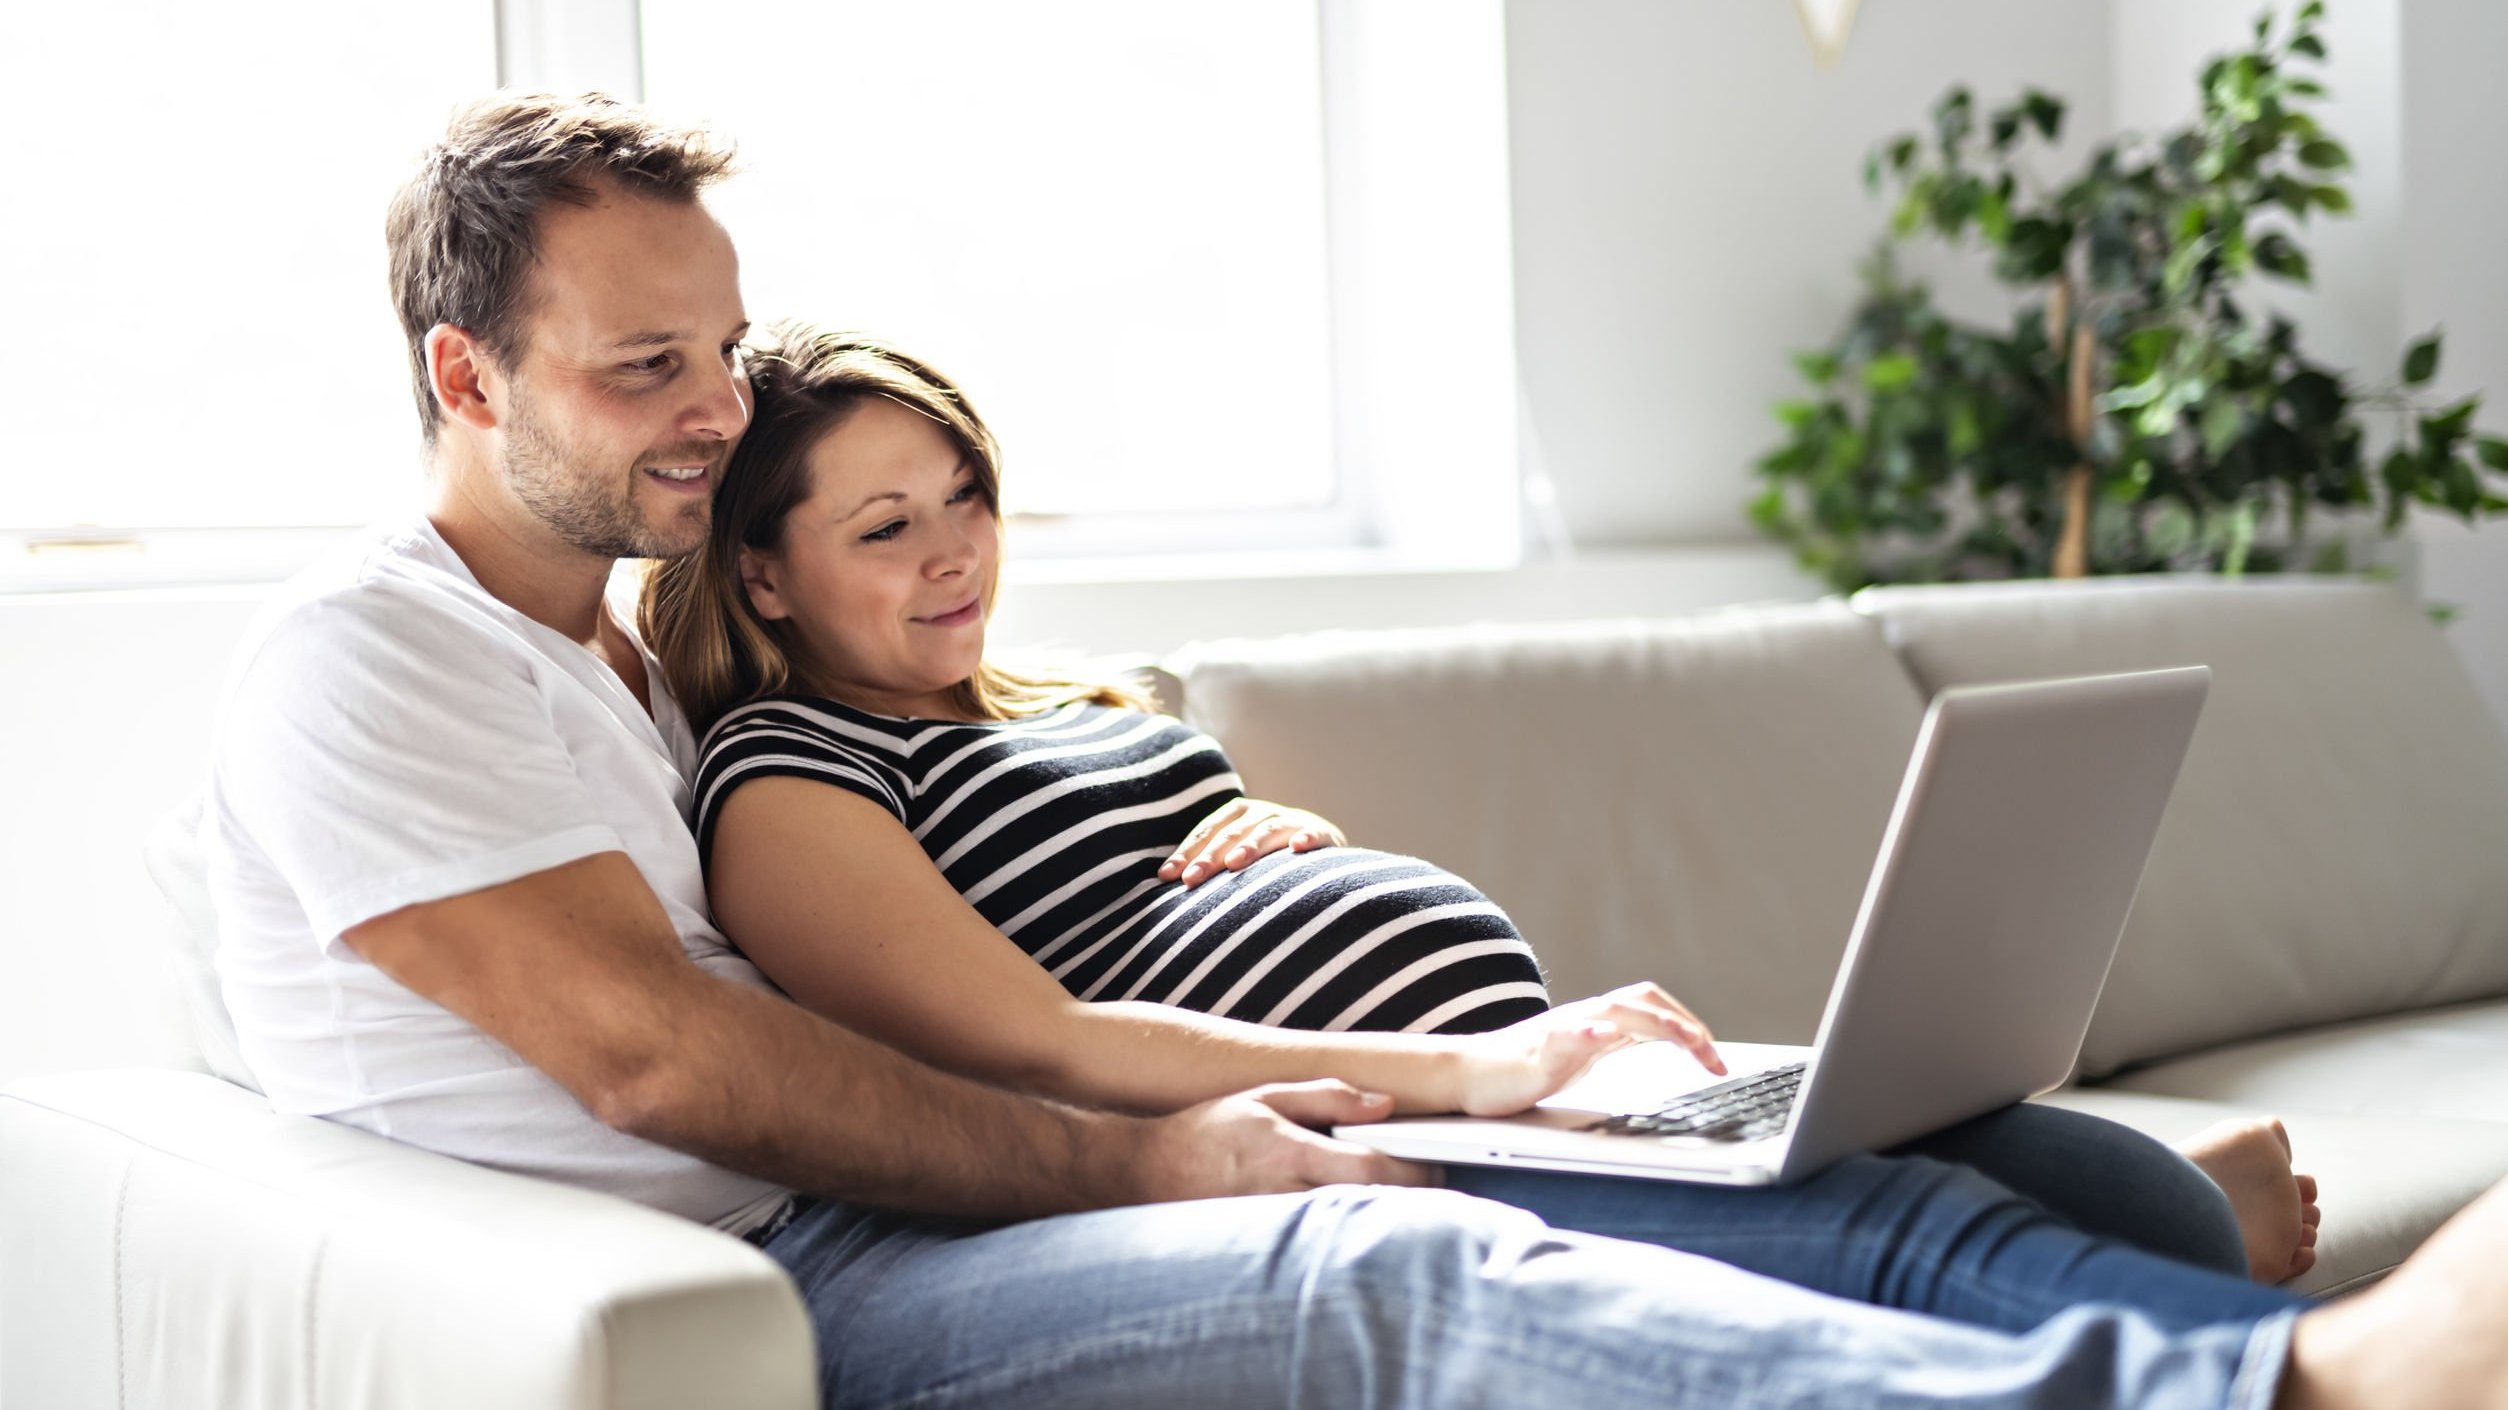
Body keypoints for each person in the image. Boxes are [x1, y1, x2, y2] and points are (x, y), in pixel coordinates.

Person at [197, 89, 2508, 1410]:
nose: (713, 410)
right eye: (642, 373)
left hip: (905, 1197)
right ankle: (2288, 1390)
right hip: (803, 1267)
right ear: (462, 380)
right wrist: (1169, 1156)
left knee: (1885, 1151)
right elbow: (670, 1067)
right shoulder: (365, 660)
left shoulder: (621, 662)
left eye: (718, 351)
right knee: (1396, 1276)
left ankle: (2236, 1327)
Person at [644, 322, 2321, 1303]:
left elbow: (1178, 902)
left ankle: (2184, 1212)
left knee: (2079, 1172)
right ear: (767, 575)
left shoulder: (1072, 703)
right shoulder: (791, 775)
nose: (954, 556)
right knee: (1972, 1238)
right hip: (1410, 1136)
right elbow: (1039, 1039)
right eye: (884, 529)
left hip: (1534, 1088)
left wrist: (1284, 839)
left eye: (968, 499)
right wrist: (1481, 1069)